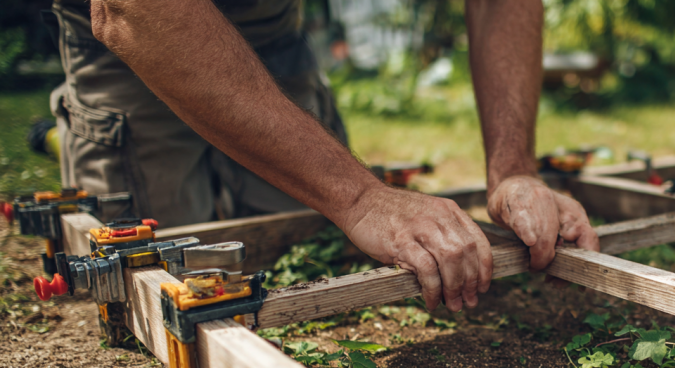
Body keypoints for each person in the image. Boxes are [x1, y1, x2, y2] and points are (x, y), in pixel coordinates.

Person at [49, 0, 600, 313]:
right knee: (152, 289)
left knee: (306, 245)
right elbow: (131, 9)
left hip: (270, 26)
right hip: (134, 32)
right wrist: (360, 198)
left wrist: (512, 169)